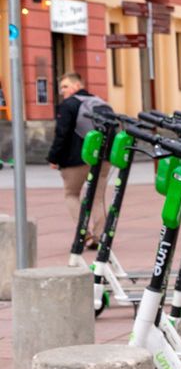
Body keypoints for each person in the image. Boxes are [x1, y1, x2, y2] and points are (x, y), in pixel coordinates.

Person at [47, 72, 111, 249]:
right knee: (98, 198)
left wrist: (54, 158)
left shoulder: (69, 105)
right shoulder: (102, 103)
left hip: (75, 160)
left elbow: (62, 134)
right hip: (102, 159)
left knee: (71, 194)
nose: (63, 91)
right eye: (61, 88)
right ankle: (100, 237)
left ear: (77, 86)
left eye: (66, 86)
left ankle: (84, 233)